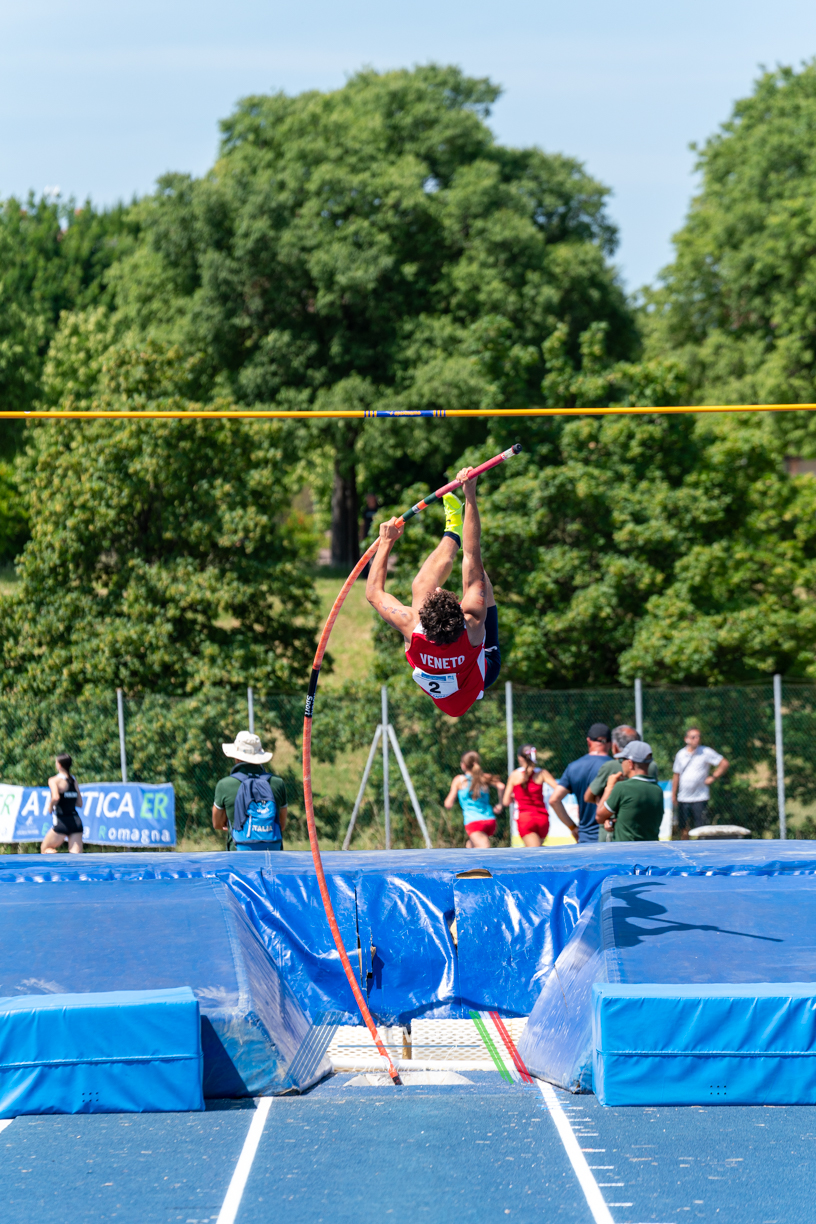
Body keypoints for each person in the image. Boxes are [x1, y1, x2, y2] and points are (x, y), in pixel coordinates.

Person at [366, 466, 500, 718]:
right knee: (481, 578)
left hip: (454, 669)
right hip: (481, 674)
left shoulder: (412, 626)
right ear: (461, 612)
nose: (438, 588)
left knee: (421, 587)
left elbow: (374, 593)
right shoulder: (472, 624)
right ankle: (456, 523)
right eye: (442, 592)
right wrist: (470, 494)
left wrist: (386, 542)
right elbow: (472, 556)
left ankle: (453, 527)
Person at [212, 731, 288, 852]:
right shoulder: (277, 783)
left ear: (237, 757)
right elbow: (281, 825)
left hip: (238, 855)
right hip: (272, 855)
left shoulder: (224, 785)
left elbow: (217, 824)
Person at [584, 725, 659, 842]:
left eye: (621, 760)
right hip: (648, 841)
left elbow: (597, 813)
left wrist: (609, 788)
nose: (620, 763)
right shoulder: (657, 789)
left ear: (630, 763)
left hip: (619, 843)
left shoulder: (620, 785)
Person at [548, 723, 613, 843]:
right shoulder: (615, 767)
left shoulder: (574, 767)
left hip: (585, 837)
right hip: (610, 836)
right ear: (610, 743)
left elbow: (554, 800)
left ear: (588, 741)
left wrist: (572, 827)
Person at [671, 727, 729, 838]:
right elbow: (676, 775)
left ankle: (702, 847)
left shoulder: (706, 752)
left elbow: (724, 763)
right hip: (683, 797)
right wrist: (673, 794)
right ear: (686, 739)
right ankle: (685, 848)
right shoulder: (680, 754)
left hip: (700, 797)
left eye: (698, 737)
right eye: (693, 737)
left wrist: (713, 777)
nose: (696, 739)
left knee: (702, 829)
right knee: (683, 828)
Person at [443, 751, 504, 848]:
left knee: (484, 849)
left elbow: (448, 804)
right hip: (490, 820)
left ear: (463, 765)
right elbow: (501, 786)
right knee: (471, 846)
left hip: (474, 822)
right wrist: (500, 804)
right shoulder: (484, 777)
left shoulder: (459, 780)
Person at [503, 746, 557, 847]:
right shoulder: (542, 773)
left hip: (525, 818)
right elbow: (559, 789)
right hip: (542, 817)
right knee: (536, 848)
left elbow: (506, 801)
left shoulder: (515, 775)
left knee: (534, 851)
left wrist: (515, 796)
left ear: (520, 758)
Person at [41, 754, 84, 854]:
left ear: (59, 765)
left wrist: (50, 807)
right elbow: (79, 803)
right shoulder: (73, 780)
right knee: (76, 856)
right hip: (76, 822)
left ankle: (56, 859)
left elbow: (56, 797)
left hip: (62, 821)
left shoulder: (54, 780)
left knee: (45, 848)